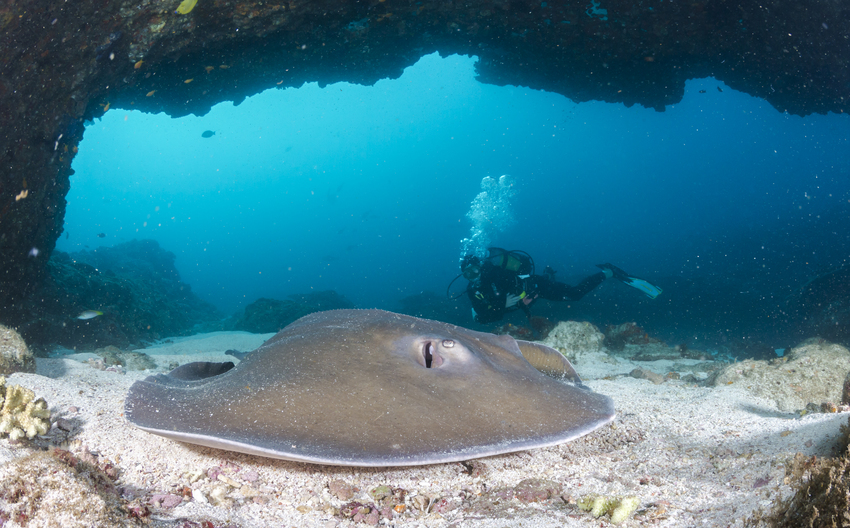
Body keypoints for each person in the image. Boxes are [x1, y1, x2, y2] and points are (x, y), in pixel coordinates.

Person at [460, 248, 660, 324]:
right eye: (467, 274)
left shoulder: (498, 274)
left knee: (575, 294)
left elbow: (521, 287)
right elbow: (487, 317)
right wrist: (504, 305)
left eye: (474, 270)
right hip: (517, 303)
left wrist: (521, 299)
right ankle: (550, 275)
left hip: (534, 286)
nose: (473, 276)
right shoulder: (473, 290)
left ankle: (608, 272)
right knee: (479, 319)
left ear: (481, 267)